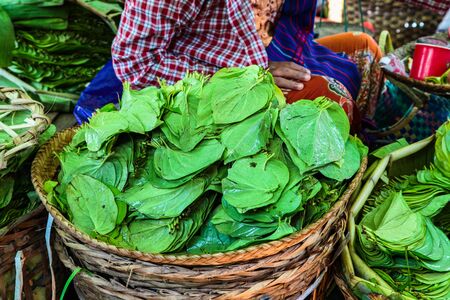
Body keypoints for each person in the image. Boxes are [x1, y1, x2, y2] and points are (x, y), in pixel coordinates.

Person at [75, 0, 382, 128]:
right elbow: (136, 62)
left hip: (263, 49)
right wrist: (246, 79)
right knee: (331, 101)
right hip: (203, 79)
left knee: (363, 48)